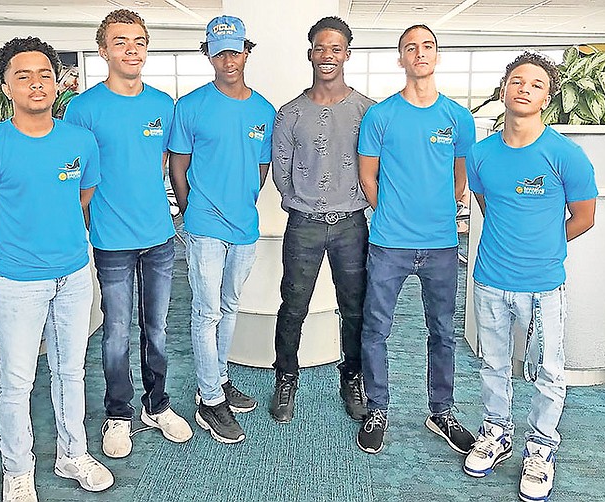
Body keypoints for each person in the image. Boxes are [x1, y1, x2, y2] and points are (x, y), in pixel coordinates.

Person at [0, 37, 113, 501]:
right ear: (5, 86)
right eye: (22, 75)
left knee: (71, 372)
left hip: (73, 275)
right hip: (16, 282)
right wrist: (15, 243)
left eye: (44, 73)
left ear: (57, 80)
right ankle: (18, 470)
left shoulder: (80, 141)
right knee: (18, 378)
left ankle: (72, 454)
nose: (36, 83)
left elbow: (82, 196)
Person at [463, 52, 597, 502]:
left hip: (542, 286)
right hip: (489, 280)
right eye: (517, 81)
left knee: (547, 372)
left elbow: (584, 217)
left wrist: (543, 247)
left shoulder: (565, 154)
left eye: (536, 84)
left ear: (547, 96)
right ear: (504, 88)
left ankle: (540, 449)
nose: (524, 89)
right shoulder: (481, 153)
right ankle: (496, 433)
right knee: (493, 365)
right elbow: (486, 204)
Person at [64, 9, 192, 460]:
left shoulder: (163, 104)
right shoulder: (82, 109)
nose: (131, 49)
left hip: (159, 237)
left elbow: (161, 161)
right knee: (116, 332)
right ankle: (118, 415)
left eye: (138, 40)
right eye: (120, 42)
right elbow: (75, 174)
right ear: (103, 51)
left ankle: (157, 405)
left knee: (156, 329)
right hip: (110, 241)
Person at [356, 24, 476, 455]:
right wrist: (390, 212)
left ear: (437, 56)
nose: (420, 53)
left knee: (443, 331)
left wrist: (442, 206)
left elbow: (461, 177)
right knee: (376, 329)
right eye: (411, 48)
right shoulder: (381, 116)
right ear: (401, 59)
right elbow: (367, 177)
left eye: (427, 46)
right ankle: (377, 408)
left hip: (442, 244)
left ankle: (441, 411)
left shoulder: (458, 118)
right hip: (390, 243)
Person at [169, 15, 275, 444]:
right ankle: (209, 400)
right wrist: (191, 209)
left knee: (229, 307)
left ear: (247, 51)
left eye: (235, 50)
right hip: (205, 225)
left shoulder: (264, 111)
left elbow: (262, 167)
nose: (229, 59)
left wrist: (242, 200)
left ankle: (219, 378)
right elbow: (178, 163)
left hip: (244, 227)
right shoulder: (191, 106)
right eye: (220, 51)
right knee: (206, 310)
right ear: (207, 54)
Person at [269, 16, 373, 424]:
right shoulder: (290, 112)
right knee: (293, 305)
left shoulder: (369, 111)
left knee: (355, 308)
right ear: (310, 52)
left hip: (351, 224)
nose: (327, 55)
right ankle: (286, 376)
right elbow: (281, 169)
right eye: (320, 47)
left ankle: (352, 377)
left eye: (336, 48)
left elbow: (378, 168)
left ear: (347, 53)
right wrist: (303, 203)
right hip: (305, 224)